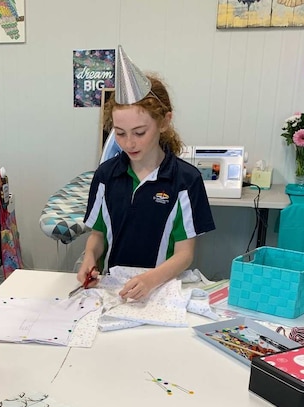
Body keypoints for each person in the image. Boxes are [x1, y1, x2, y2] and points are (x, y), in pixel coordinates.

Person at [78, 48, 214, 301]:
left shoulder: (186, 181)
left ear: (164, 122)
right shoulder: (106, 176)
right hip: (114, 288)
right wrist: (89, 257)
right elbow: (97, 235)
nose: (129, 143)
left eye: (139, 132)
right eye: (120, 133)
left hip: (161, 288)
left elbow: (185, 253)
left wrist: (149, 280)